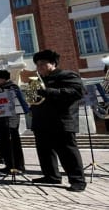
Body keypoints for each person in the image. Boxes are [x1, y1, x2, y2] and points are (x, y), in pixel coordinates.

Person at [31, 49, 87, 192]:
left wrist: (48, 91)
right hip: (41, 122)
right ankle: (51, 176)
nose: (39, 67)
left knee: (67, 152)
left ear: (53, 63)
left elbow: (77, 92)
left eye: (43, 63)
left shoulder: (67, 75)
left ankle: (77, 180)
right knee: (45, 151)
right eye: (37, 65)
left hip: (61, 121)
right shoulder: (39, 81)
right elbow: (34, 101)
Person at [0, 70, 25, 173]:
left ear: (3, 78)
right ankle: (8, 165)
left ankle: (18, 166)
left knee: (13, 144)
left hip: (10, 121)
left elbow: (11, 100)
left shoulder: (12, 87)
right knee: (3, 144)